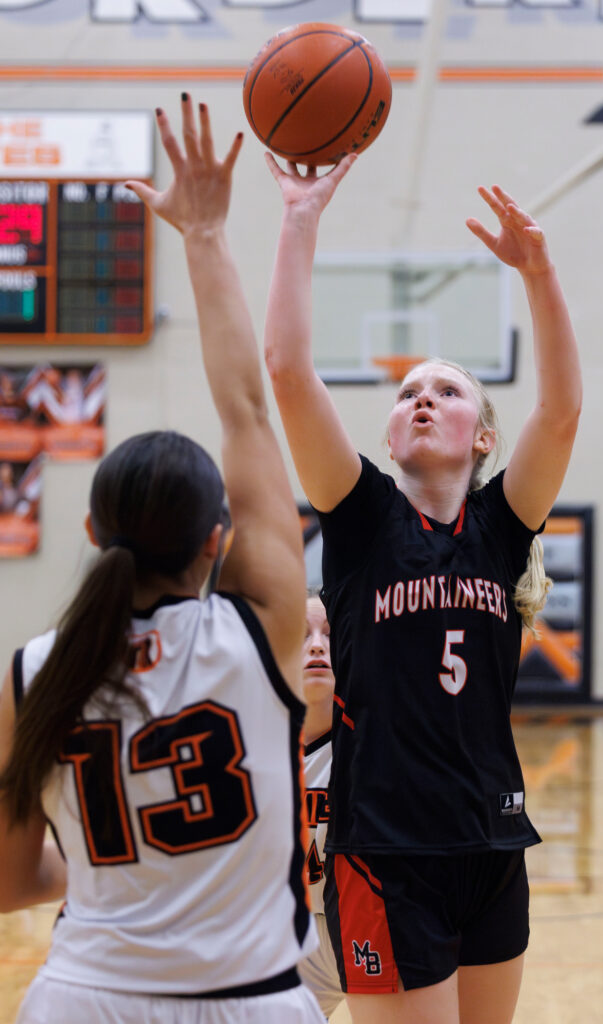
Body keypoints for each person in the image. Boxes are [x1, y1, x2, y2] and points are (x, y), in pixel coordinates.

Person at [0, 95, 324, 1024]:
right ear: (220, 540)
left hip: (81, 1002)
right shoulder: (259, 635)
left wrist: (118, 861)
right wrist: (207, 234)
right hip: (249, 1004)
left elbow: (13, 878)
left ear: (93, 535)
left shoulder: (34, 671)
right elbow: (249, 415)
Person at [263, 154, 582, 1024]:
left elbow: (559, 414)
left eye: (447, 390)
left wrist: (540, 272)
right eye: (407, 392)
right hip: (388, 854)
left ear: (482, 436)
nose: (423, 399)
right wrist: (300, 217)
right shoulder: (362, 516)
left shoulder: (500, 526)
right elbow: (289, 372)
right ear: (390, 429)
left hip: (491, 842)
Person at [299, 592, 344, 1020]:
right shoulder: (251, 744)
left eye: (329, 635)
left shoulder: (377, 736)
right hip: (290, 932)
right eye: (303, 634)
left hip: (366, 921)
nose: (316, 644)